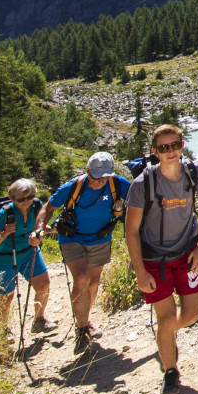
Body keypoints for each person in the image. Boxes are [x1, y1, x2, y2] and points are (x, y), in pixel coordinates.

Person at [124, 124, 198, 394]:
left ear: (182, 144)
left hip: (187, 253)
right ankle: (170, 371)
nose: (170, 151)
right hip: (154, 259)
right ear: (155, 152)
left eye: (174, 145)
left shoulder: (196, 172)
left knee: (191, 314)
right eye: (163, 148)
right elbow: (130, 230)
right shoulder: (143, 184)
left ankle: (165, 337)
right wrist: (139, 270)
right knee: (165, 318)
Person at [36, 151, 130, 354]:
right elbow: (48, 207)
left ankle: (85, 319)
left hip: (100, 238)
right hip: (72, 238)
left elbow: (139, 199)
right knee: (81, 278)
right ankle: (81, 331)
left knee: (93, 282)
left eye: (104, 177)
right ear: (87, 171)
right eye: (96, 177)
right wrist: (40, 228)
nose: (99, 182)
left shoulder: (117, 184)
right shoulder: (72, 187)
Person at [0, 178, 54, 333]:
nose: (26, 201)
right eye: (21, 199)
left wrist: (42, 232)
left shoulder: (36, 206)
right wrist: (5, 233)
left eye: (29, 197)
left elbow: (39, 227)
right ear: (12, 199)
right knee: (6, 297)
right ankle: (2, 330)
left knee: (43, 284)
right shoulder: (4, 213)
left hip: (29, 253)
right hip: (3, 258)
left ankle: (39, 320)